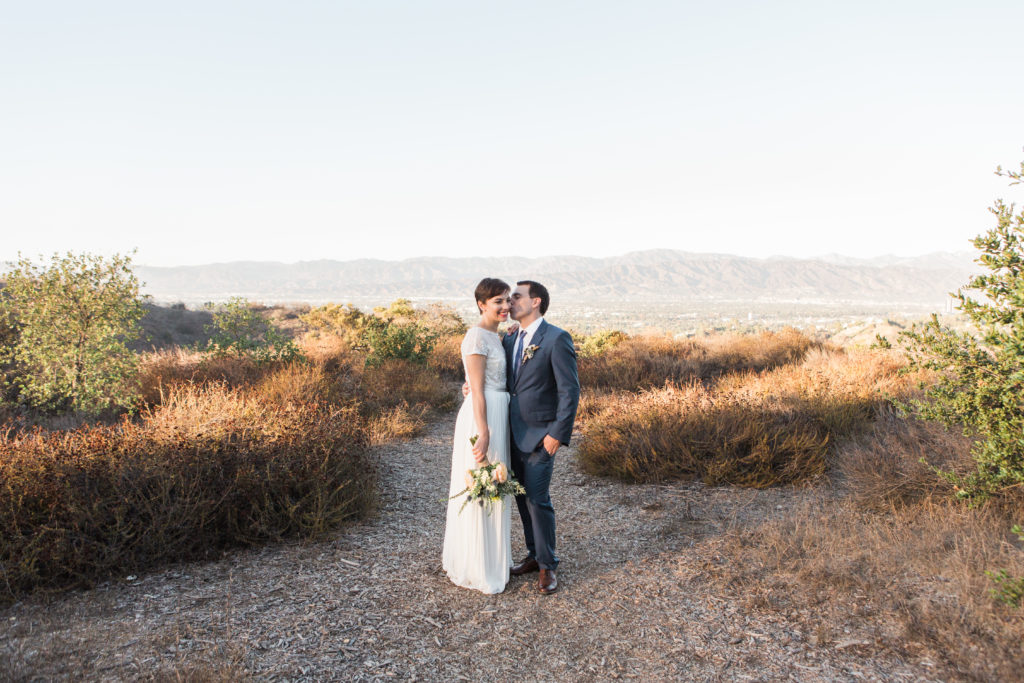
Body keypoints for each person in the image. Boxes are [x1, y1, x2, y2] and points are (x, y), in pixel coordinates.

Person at [503, 280, 580, 595]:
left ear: (535, 302)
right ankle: (534, 555)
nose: (510, 301)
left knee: (538, 500)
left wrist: (556, 435)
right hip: (511, 435)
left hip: (541, 437)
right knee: (521, 498)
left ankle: (548, 565)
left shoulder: (556, 338)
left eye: (516, 296)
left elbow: (570, 390)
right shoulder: (510, 339)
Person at [442, 278, 514, 593]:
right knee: (484, 483)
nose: (505, 306)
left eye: (508, 300)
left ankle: (494, 559)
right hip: (483, 418)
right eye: (498, 301)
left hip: (499, 411)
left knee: (496, 484)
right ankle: (478, 564)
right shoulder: (475, 338)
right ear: (482, 304)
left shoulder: (497, 337)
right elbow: (478, 391)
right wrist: (483, 432)